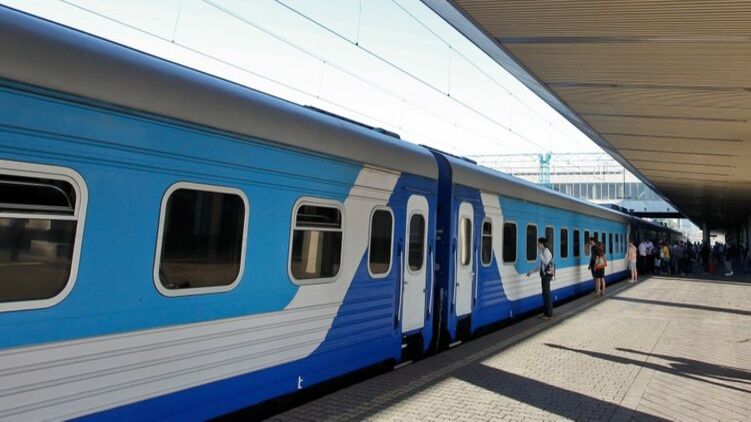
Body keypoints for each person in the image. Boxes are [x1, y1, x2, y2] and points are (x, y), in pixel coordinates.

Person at [527, 237, 554, 319]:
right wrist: (532, 271)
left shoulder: (546, 252)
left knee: (547, 294)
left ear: (542, 244)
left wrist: (541, 256)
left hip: (546, 276)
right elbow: (541, 266)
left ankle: (549, 315)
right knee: (545, 294)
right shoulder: (544, 252)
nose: (537, 245)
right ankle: (546, 313)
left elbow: (547, 262)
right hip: (545, 275)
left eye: (538, 243)